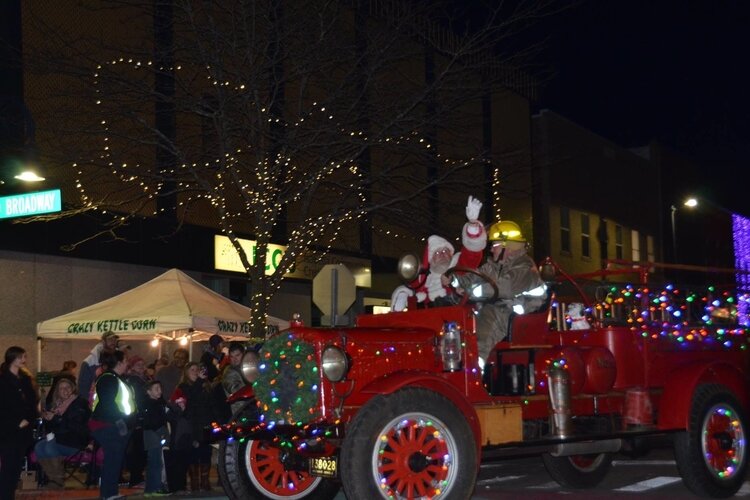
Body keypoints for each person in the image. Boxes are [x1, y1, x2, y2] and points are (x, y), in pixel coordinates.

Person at [454, 220, 547, 364]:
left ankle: (476, 367)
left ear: (506, 246)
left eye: (494, 245)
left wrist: (471, 292)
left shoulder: (524, 267)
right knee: (468, 316)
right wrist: (455, 281)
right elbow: (476, 276)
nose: (491, 250)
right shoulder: (496, 267)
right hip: (506, 310)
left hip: (522, 314)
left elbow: (505, 287)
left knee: (489, 314)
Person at [392, 196, 487, 311]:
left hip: (459, 318)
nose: (442, 254)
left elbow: (472, 253)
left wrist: (472, 224)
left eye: (445, 251)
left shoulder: (460, 267)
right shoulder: (424, 279)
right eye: (437, 252)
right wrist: (403, 294)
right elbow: (411, 287)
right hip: (431, 321)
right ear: (431, 260)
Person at [88, 349, 136, 500]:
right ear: (119, 363)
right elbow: (108, 404)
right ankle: (108, 494)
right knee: (112, 460)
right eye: (126, 360)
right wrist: (120, 422)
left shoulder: (113, 378)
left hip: (111, 425)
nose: (128, 363)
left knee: (114, 460)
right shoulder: (108, 379)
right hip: (109, 425)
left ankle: (111, 492)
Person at [34, 375, 90, 489]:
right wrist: (48, 419)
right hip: (60, 439)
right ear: (57, 392)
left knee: (49, 447)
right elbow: (53, 428)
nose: (65, 390)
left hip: (76, 441)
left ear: (73, 388)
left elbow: (75, 425)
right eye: (61, 388)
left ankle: (57, 481)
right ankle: (53, 478)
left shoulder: (80, 403)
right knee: (39, 447)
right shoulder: (56, 405)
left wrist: (56, 418)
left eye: (68, 387)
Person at [170, 362, 217, 493]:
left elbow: (211, 404)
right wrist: (198, 383)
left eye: (197, 369)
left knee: (206, 453)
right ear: (186, 372)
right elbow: (190, 399)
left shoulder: (205, 385)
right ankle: (195, 482)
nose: (195, 372)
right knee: (193, 453)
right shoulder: (183, 386)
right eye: (192, 369)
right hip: (192, 425)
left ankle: (205, 481)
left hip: (205, 424)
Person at [0, 346, 39, 500]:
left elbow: (32, 402)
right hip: (8, 431)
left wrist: (29, 418)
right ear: (13, 359)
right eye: (21, 357)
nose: (24, 360)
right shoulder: (3, 381)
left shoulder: (25, 379)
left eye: (25, 357)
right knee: (8, 468)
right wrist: (16, 422)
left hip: (23, 431)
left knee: (16, 468)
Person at [140, 380, 171, 497]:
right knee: (155, 462)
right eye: (156, 389)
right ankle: (153, 488)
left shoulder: (159, 403)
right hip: (153, 434)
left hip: (156, 433)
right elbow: (151, 422)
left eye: (160, 388)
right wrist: (161, 432)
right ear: (149, 391)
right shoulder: (149, 404)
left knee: (156, 461)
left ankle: (152, 488)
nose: (160, 391)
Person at [125, 355, 149, 488]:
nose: (141, 366)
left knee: (139, 449)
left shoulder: (142, 379)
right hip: (137, 418)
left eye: (142, 364)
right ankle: (136, 478)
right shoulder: (134, 381)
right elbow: (140, 399)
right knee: (137, 449)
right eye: (138, 364)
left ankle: (137, 476)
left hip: (139, 418)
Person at [78, 331, 119, 400]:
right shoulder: (90, 362)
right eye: (110, 339)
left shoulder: (119, 359)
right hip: (96, 403)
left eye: (115, 339)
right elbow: (83, 388)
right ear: (103, 341)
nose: (113, 342)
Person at [219, 342, 246, 418]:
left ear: (244, 354)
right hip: (239, 412)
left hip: (249, 409)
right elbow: (235, 390)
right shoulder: (229, 372)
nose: (235, 359)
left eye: (237, 355)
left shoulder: (246, 368)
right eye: (232, 356)